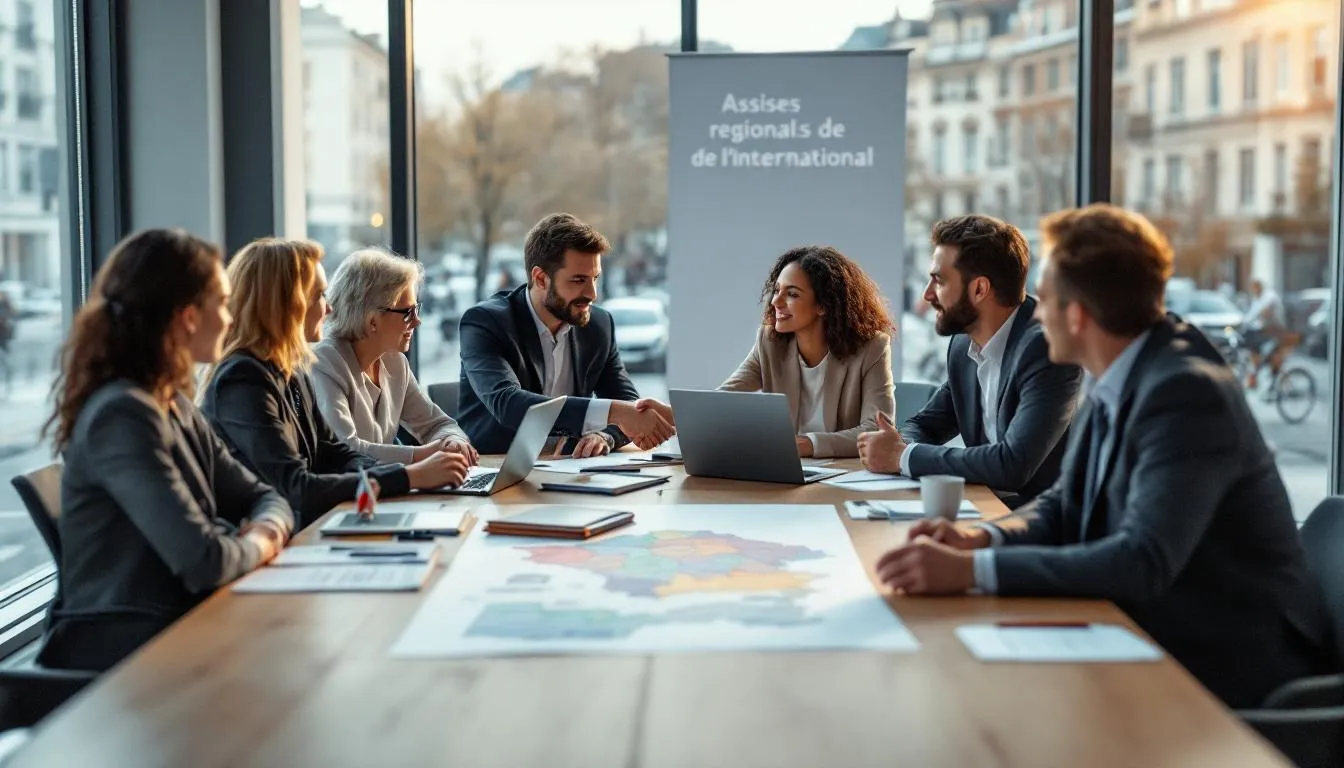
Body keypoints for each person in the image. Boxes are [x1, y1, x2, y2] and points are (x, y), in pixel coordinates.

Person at [874, 204, 1335, 708]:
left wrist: (971, 573)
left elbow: (1141, 560)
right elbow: (1062, 506)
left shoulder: (1184, 392)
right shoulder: (1122, 369)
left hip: (1231, 665)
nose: (1034, 312)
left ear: (1078, 315)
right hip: (1151, 631)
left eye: (1044, 300)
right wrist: (978, 539)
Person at [38, 229, 294, 672]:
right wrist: (262, 539)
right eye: (222, 303)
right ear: (187, 316)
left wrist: (263, 527)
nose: (231, 319)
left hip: (179, 626)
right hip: (122, 654)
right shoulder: (122, 415)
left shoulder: (172, 401)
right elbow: (204, 561)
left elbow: (264, 496)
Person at [201, 238, 468, 528]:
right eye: (318, 296)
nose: (328, 309)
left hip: (302, 528)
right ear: (286, 304)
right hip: (264, 540)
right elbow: (297, 487)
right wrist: (411, 475)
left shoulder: (291, 369)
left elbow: (335, 452)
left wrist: (420, 465)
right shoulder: (243, 379)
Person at [857, 215, 1083, 507]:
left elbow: (1012, 464)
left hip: (1041, 520)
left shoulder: (1045, 347)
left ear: (979, 289)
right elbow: (928, 424)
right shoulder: (964, 342)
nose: (926, 295)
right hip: (982, 505)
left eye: (938, 281)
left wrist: (903, 456)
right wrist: (900, 445)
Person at [457, 213, 674, 456]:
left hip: (571, 469)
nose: (592, 294)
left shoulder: (598, 324)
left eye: (595, 279)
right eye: (579, 280)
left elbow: (626, 400)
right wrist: (616, 412)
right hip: (497, 469)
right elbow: (509, 404)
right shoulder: (486, 322)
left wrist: (604, 435)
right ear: (540, 279)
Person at [719, 245, 894, 459]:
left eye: (792, 294)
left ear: (823, 305)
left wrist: (806, 444)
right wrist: (671, 413)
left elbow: (875, 431)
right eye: (776, 290)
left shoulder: (871, 348)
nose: (776, 301)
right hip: (785, 471)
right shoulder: (770, 343)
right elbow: (721, 400)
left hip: (841, 476)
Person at [311, 248, 478, 466]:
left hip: (387, 492)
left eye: (417, 309)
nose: (417, 321)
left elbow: (437, 424)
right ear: (372, 321)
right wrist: (424, 455)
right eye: (408, 312)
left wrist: (453, 442)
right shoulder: (324, 363)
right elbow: (346, 449)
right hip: (348, 497)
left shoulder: (395, 362)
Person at [1242, 278, 1290, 388]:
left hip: (1276, 330)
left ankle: (1286, 383)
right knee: (1256, 351)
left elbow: (1264, 312)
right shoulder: (1257, 299)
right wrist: (1245, 321)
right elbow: (1252, 314)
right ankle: (1255, 378)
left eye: (1255, 288)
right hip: (1267, 330)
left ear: (1259, 287)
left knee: (1274, 358)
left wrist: (1251, 320)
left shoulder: (1270, 296)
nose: (1253, 291)